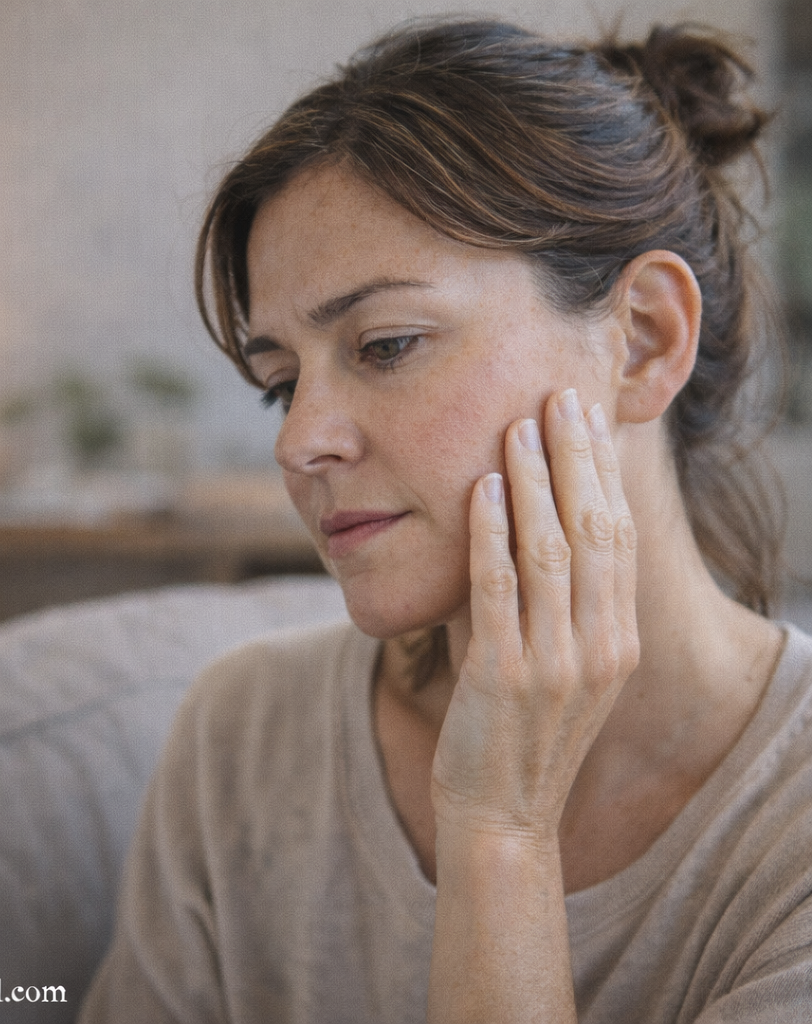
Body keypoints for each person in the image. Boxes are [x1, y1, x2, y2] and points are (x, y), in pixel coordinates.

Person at [78, 18, 812, 1024]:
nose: (297, 443)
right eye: (278, 386)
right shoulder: (239, 738)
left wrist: (501, 834)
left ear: (642, 341)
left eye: (384, 344)